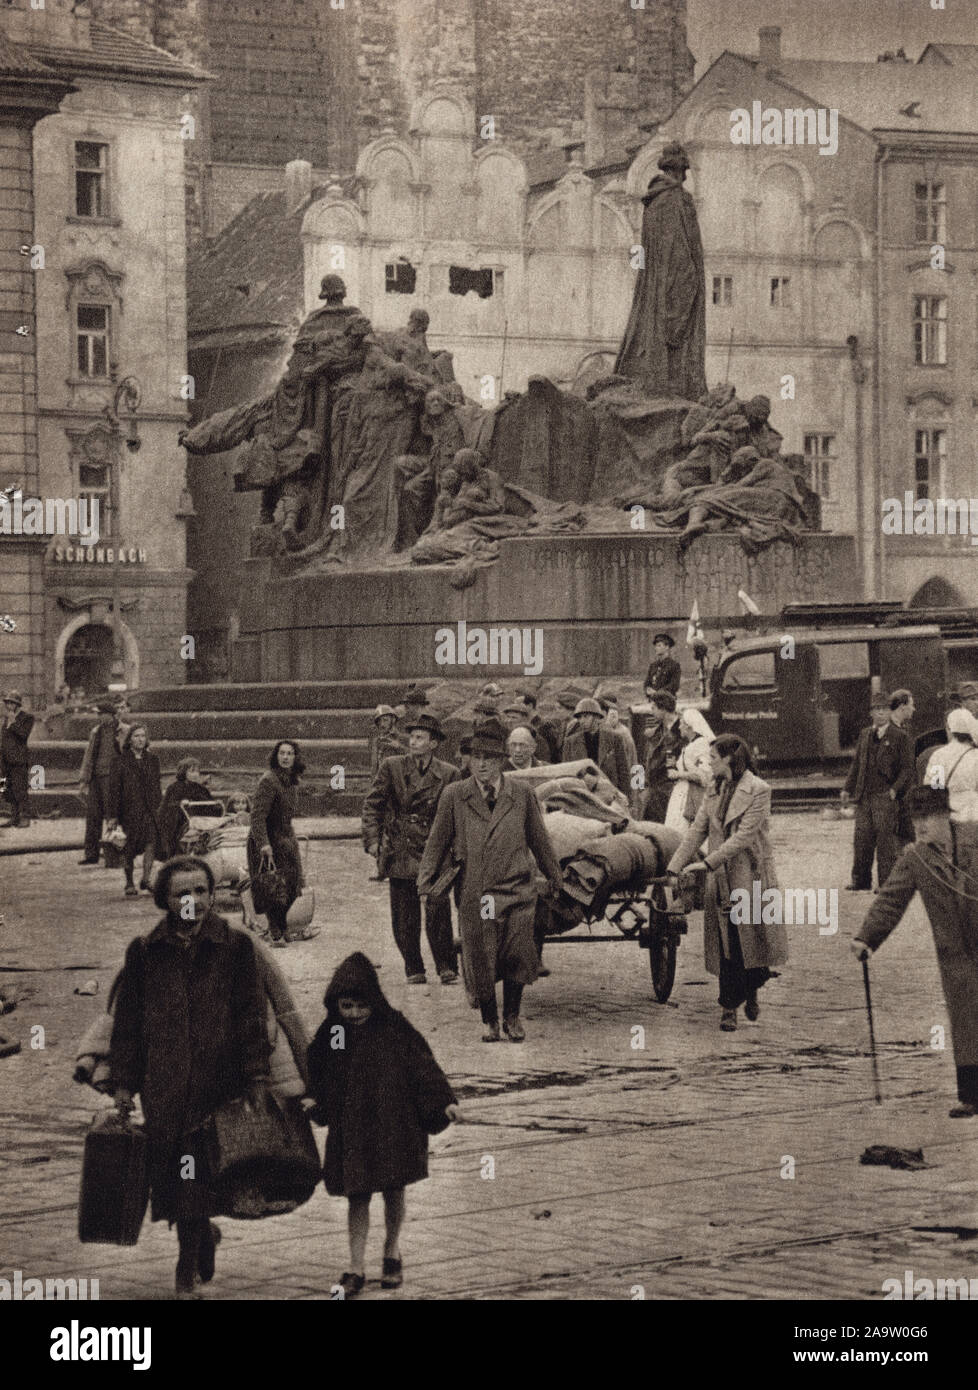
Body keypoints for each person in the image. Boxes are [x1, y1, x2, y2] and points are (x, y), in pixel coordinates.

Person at [109, 856, 269, 1297]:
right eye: (183, 892)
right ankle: (201, 1236)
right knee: (175, 1176)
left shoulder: (235, 947)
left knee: (196, 1175)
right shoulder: (143, 952)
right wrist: (124, 1088)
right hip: (163, 1087)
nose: (193, 901)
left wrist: (256, 1077)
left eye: (201, 891)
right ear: (165, 899)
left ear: (213, 895)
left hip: (219, 1085)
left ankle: (185, 1265)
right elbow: (127, 1025)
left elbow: (251, 1016)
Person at [306, 952, 459, 1297]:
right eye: (347, 1006)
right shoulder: (335, 1033)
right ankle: (355, 1266)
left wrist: (444, 1101)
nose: (355, 1014)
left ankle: (391, 1252)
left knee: (394, 1191)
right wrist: (315, 1098)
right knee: (356, 1197)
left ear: (374, 1001)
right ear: (336, 1004)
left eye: (362, 1006)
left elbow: (423, 1067)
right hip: (353, 1131)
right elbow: (322, 1070)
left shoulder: (393, 1027)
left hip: (395, 1126)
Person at [417, 718, 562, 1043]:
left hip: (518, 889)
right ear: (469, 759)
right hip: (477, 892)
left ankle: (512, 1016)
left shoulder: (522, 794)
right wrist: (425, 882)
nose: (481, 764)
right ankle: (489, 1021)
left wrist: (554, 874)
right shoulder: (455, 795)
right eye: (476, 757)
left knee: (518, 954)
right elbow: (437, 841)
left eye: (490, 758)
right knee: (481, 957)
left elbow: (539, 839)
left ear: (501, 761)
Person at [852, 785, 978, 1118]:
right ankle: (971, 1095)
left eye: (927, 818)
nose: (921, 826)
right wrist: (867, 937)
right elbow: (892, 898)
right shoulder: (916, 857)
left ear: (945, 815)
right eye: (915, 819)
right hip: (956, 954)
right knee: (966, 1020)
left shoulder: (974, 837)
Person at [667, 734, 788, 1031]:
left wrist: (707, 862)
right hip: (722, 878)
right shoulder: (712, 790)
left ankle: (752, 989)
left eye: (713, 758)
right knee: (727, 942)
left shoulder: (759, 790)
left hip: (750, 872)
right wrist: (674, 867)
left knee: (754, 943)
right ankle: (728, 1007)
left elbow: (744, 837)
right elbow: (697, 831)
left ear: (729, 759)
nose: (709, 762)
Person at [361, 712, 459, 985]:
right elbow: (372, 805)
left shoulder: (450, 774)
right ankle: (413, 967)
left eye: (420, 738)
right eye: (412, 737)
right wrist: (372, 840)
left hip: (435, 846)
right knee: (405, 914)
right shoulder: (392, 767)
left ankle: (447, 966)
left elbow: (457, 815)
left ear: (433, 743)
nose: (413, 742)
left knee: (438, 907)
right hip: (401, 847)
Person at [614, 142, 706, 401]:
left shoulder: (653, 201)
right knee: (675, 337)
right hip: (672, 283)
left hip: (654, 284)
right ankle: (674, 385)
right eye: (684, 171)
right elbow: (679, 254)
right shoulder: (676, 200)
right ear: (679, 170)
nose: (685, 176)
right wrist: (690, 283)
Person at [842, 689, 915, 891]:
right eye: (877, 709)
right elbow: (857, 763)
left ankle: (886, 883)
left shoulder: (900, 736)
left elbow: (908, 769)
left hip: (885, 796)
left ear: (889, 712)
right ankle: (860, 880)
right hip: (864, 797)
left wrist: (894, 790)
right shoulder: (865, 734)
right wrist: (848, 788)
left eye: (884, 709)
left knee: (886, 843)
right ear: (871, 713)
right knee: (862, 840)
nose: (881, 713)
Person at [248, 740, 308, 946]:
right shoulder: (269, 780)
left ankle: (281, 924)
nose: (285, 757)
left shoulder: (292, 781)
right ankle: (275, 929)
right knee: (273, 887)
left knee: (293, 886)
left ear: (295, 757)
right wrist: (264, 844)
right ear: (276, 756)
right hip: (269, 839)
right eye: (281, 753)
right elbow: (257, 816)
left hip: (286, 838)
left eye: (289, 754)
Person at [112, 724, 161, 898]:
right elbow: (115, 790)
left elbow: (157, 787)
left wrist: (157, 808)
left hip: (148, 810)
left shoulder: (153, 760)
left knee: (151, 843)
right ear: (130, 739)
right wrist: (113, 816)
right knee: (129, 847)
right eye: (136, 736)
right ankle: (129, 882)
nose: (140, 739)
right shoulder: (120, 761)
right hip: (129, 811)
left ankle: (146, 879)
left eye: (143, 736)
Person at [78, 701, 122, 865]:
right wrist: (84, 780)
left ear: (109, 715)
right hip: (96, 778)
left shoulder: (122, 730)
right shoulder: (96, 731)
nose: (99, 716)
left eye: (101, 713)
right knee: (93, 815)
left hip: (113, 779)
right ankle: (91, 854)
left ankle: (114, 853)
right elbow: (88, 756)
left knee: (113, 815)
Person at [561, 698, 630, 795]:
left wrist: (627, 800)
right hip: (581, 796)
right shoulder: (570, 743)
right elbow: (566, 775)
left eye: (586, 716)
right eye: (579, 718)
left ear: (597, 717)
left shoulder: (615, 739)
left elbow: (623, 773)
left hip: (610, 796)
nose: (582, 721)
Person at [665, 707, 714, 829]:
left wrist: (678, 774)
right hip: (681, 794)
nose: (679, 727)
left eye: (681, 723)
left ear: (689, 726)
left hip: (691, 796)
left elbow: (705, 776)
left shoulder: (701, 744)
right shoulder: (691, 744)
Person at [158, 757, 214, 860]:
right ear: (184, 772)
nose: (196, 774)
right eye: (192, 771)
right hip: (180, 819)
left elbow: (210, 804)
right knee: (176, 820)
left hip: (199, 819)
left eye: (197, 771)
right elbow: (165, 806)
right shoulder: (174, 787)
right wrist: (180, 803)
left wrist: (215, 805)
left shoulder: (201, 789)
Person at [641, 690, 683, 822]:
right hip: (652, 796)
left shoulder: (684, 731)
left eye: (653, 708)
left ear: (663, 708)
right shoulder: (653, 733)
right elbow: (641, 761)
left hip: (672, 795)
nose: (651, 711)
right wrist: (638, 789)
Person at [0, 689, 33, 828]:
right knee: (9, 790)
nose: (8, 706)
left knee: (20, 789)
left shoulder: (27, 718)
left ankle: (24, 817)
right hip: (6, 760)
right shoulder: (7, 719)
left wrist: (13, 722)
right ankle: (14, 817)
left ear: (17, 704)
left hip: (19, 760)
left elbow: (23, 735)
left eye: (11, 703)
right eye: (7, 703)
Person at [519, 690, 561, 764]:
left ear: (530, 706)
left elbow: (553, 753)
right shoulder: (525, 726)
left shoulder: (545, 726)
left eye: (519, 705)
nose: (515, 708)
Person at [644, 632, 681, 697]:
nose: (656, 648)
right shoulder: (653, 666)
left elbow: (674, 686)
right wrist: (647, 690)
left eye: (659, 645)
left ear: (667, 647)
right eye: (655, 646)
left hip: (667, 701)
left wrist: (657, 693)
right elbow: (647, 684)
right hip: (653, 701)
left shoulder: (674, 665)